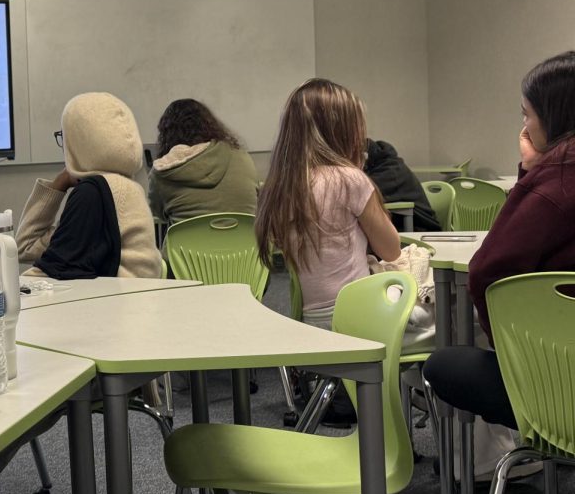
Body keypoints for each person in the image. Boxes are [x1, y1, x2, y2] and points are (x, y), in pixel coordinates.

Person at [424, 51, 575, 428]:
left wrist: (530, 174)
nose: (523, 125)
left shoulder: (553, 188)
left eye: (527, 114)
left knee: (444, 362)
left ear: (553, 119)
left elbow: (486, 273)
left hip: (561, 377)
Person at [257, 79, 401, 330]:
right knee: (434, 302)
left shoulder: (281, 187)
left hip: (312, 320)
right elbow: (391, 250)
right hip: (358, 315)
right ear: (343, 132)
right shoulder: (349, 180)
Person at [17, 91, 163, 279]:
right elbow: (27, 247)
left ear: (80, 141)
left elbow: (55, 268)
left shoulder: (94, 194)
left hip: (116, 304)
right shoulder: (126, 189)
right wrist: (59, 184)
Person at [147, 98, 258, 223]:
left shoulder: (162, 172)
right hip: (244, 242)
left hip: (186, 243)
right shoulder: (242, 159)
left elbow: (158, 214)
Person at [363, 138, 441, 232]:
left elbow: (362, 194)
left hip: (420, 228)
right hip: (400, 223)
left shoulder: (391, 170)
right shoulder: (381, 165)